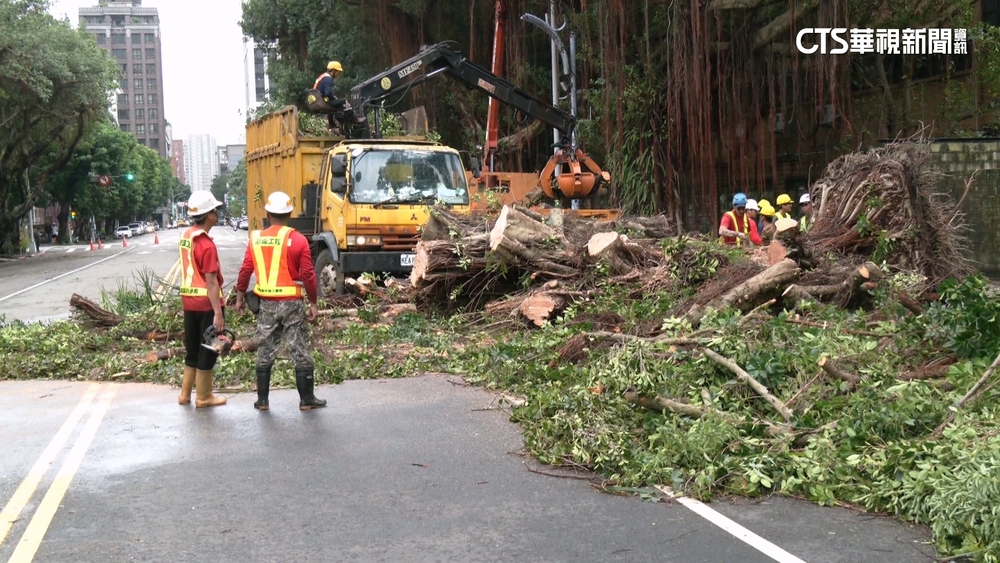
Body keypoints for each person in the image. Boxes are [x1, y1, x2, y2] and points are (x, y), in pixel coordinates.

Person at [235, 191, 324, 411]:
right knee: (299, 349)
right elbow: (308, 275)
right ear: (290, 214)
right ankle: (306, 400)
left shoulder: (256, 239)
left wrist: (239, 297)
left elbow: (245, 269)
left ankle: (262, 400)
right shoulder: (299, 240)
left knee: (265, 349)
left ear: (267, 214)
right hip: (292, 303)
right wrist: (313, 302)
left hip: (266, 304)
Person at [177, 191, 228, 408]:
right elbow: (211, 282)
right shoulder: (206, 244)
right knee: (209, 349)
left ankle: (185, 394)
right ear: (209, 215)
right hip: (206, 304)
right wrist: (218, 313)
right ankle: (204, 397)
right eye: (215, 211)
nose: (217, 214)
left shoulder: (187, 236)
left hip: (189, 302)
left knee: (192, 349)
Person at [314, 61, 344, 132]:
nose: (338, 74)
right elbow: (328, 93)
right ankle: (345, 123)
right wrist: (334, 99)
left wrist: (333, 98)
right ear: (333, 70)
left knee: (334, 102)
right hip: (321, 101)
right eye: (338, 72)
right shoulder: (328, 79)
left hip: (318, 99)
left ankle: (332, 124)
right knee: (344, 101)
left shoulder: (323, 76)